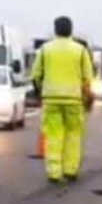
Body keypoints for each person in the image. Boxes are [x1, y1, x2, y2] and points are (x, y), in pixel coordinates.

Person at [30, 16, 94, 184]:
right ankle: (70, 170)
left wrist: (39, 93)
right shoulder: (80, 50)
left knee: (53, 136)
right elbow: (87, 78)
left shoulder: (45, 50)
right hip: (74, 100)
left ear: (55, 29)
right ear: (70, 30)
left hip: (51, 100)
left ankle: (54, 172)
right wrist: (87, 98)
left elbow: (35, 75)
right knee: (73, 135)